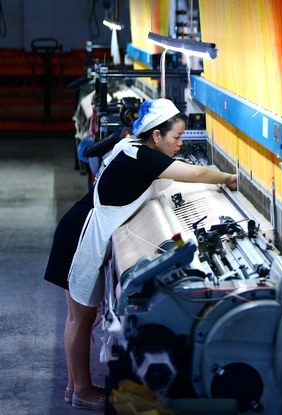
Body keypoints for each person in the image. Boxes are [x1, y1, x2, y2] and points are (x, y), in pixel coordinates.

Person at [44, 98, 237, 411]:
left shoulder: (133, 147)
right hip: (82, 233)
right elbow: (198, 175)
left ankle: (73, 386)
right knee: (81, 318)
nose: (179, 144)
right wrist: (228, 178)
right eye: (176, 138)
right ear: (157, 136)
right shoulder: (143, 157)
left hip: (83, 226)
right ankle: (81, 389)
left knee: (80, 316)